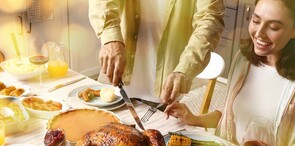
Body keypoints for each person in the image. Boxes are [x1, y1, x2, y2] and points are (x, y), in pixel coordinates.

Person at [165, 0, 295, 146]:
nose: (259, 33)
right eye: (256, 20)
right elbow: (232, 115)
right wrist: (196, 119)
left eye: (274, 27)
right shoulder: (243, 59)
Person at [88, 0, 225, 105]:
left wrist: (186, 68)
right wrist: (110, 35)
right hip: (119, 74)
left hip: (168, 82)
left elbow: (210, 19)